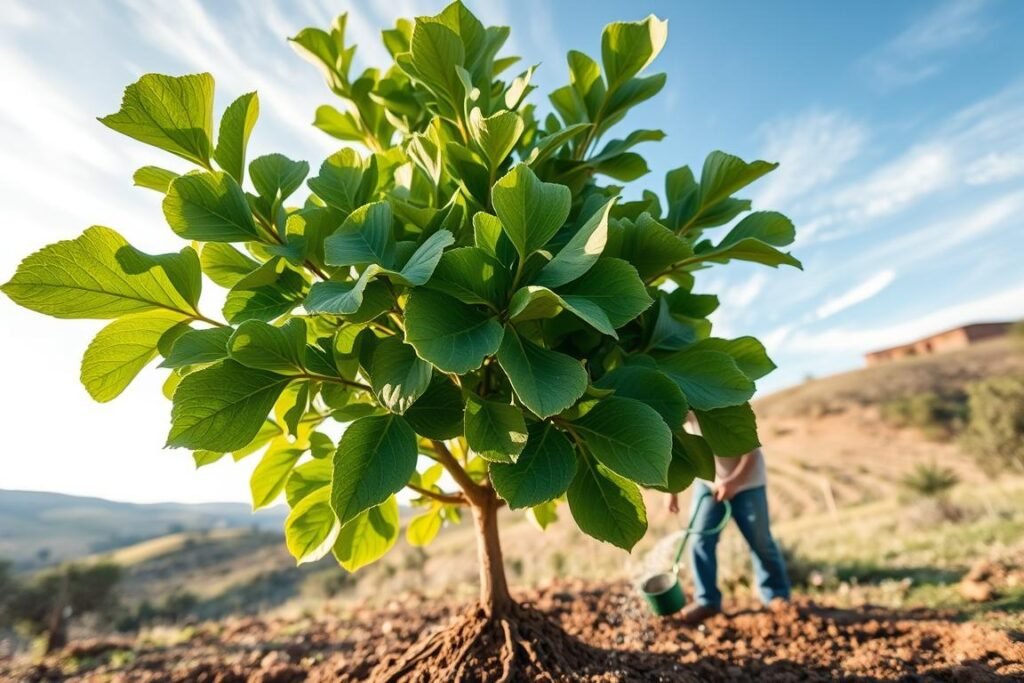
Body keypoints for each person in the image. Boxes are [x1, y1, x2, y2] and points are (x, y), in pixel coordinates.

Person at [667, 416, 790, 625]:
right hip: (709, 483)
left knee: (760, 541)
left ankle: (776, 598)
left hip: (747, 482)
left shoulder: (725, 405)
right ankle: (707, 601)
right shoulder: (682, 409)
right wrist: (671, 489)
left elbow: (752, 452)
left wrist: (733, 482)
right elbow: (673, 445)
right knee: (699, 540)